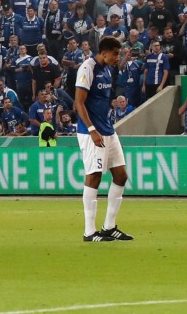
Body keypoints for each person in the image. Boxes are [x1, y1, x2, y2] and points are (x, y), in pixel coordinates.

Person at [74, 36, 131, 243]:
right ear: (104, 52)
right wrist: (91, 130)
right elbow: (78, 103)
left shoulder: (108, 70)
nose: (118, 58)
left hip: (107, 129)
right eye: (116, 54)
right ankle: (89, 231)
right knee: (94, 176)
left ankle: (109, 227)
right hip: (91, 132)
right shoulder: (88, 69)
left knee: (121, 175)